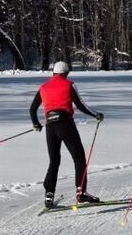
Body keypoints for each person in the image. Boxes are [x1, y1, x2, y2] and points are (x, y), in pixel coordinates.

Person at [29, 61, 104, 209]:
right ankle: (81, 192)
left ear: (53, 73)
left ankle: (49, 194)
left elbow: (32, 109)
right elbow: (81, 105)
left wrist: (36, 124)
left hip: (51, 128)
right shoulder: (69, 84)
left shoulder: (43, 87)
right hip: (66, 125)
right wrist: (96, 115)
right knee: (79, 158)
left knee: (54, 161)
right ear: (67, 73)